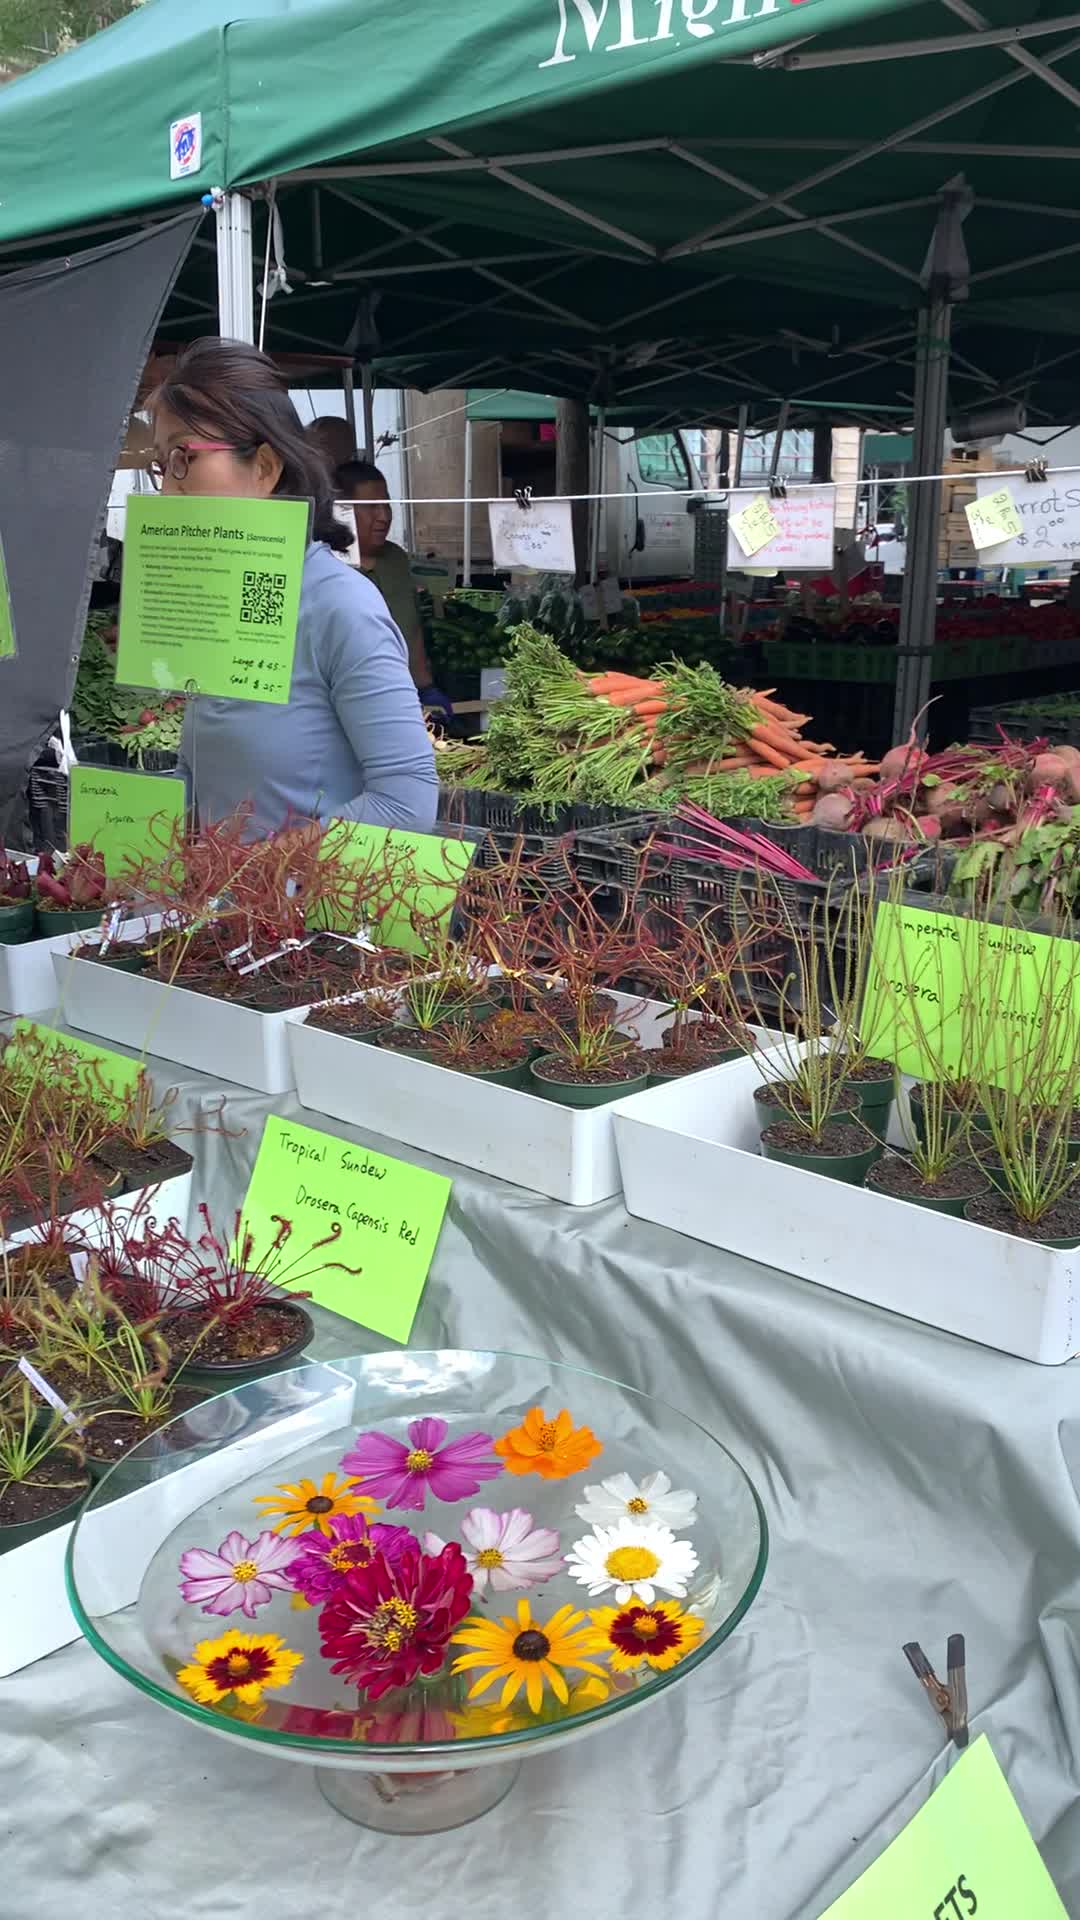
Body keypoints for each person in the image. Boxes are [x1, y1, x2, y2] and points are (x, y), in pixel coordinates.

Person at [150, 339, 437, 837]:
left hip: (316, 911)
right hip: (223, 911)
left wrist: (261, 871)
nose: (166, 491)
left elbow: (407, 805)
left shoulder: (340, 606)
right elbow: (204, 783)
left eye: (183, 458)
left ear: (264, 468)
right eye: (160, 466)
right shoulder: (218, 606)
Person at [335, 459, 453, 719]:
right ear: (341, 510)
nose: (384, 516)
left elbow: (412, 629)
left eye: (386, 504)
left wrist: (426, 686)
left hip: (407, 698)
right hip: (355, 703)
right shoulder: (327, 566)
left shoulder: (396, 559)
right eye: (371, 507)